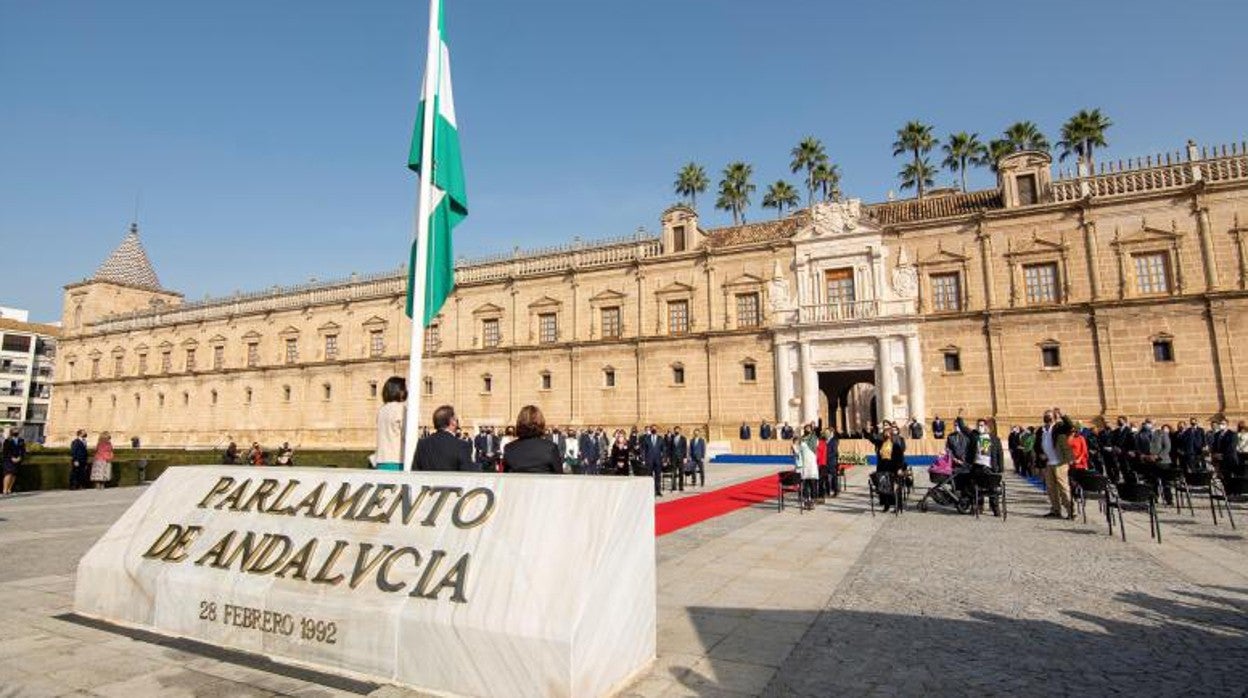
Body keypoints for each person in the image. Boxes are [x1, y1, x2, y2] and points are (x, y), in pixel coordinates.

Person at [413, 405, 476, 471]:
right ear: (452, 422)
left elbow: (415, 471)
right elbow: (467, 474)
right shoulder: (462, 445)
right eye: (456, 420)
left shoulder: (422, 444)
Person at [502, 405, 563, 474]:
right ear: (540, 423)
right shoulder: (550, 447)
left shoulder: (509, 448)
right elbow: (559, 476)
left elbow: (506, 477)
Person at [1037, 408, 1075, 519]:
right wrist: (1040, 454)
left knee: (1063, 487)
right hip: (1049, 463)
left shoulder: (1059, 427)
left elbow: (1070, 426)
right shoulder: (1041, 430)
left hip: (1060, 461)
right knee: (1051, 488)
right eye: (1045, 415)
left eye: (1048, 415)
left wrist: (1063, 415)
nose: (1046, 416)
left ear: (1054, 417)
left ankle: (1071, 511)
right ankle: (1055, 510)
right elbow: (1037, 444)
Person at [868, 424, 906, 511]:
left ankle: (897, 505)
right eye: (884, 433)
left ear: (891, 434)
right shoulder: (881, 443)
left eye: (887, 433)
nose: (885, 434)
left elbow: (900, 457)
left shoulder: (895, 445)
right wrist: (871, 431)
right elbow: (872, 439)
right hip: (882, 467)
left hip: (892, 467)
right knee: (883, 486)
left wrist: (899, 468)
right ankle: (886, 504)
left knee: (893, 487)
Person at [374, 376, 406, 471]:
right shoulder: (401, 409)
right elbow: (407, 435)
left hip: (381, 460)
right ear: (399, 391)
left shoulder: (382, 410)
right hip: (397, 460)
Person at [643, 425, 665, 496]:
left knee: (658, 476)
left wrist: (664, 458)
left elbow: (664, 449)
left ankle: (658, 490)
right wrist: (644, 459)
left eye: (655, 428)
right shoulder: (647, 438)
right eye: (652, 428)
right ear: (650, 429)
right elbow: (644, 450)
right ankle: (650, 491)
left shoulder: (660, 438)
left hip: (658, 460)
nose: (654, 429)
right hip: (649, 460)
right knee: (649, 476)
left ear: (657, 429)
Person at [2, 429, 24, 495]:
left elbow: (23, 450)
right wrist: (12, 458)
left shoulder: (21, 440)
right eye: (14, 431)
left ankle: (9, 489)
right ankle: (5, 490)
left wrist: (20, 457)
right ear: (11, 433)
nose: (16, 432)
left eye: (17, 431)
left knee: (14, 475)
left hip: (18, 459)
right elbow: (5, 451)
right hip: (8, 460)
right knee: (8, 474)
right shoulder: (7, 441)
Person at [669, 426, 688, 491]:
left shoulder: (683, 438)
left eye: (678, 430)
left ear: (680, 431)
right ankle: (674, 486)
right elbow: (670, 449)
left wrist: (685, 457)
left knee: (681, 473)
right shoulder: (672, 438)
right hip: (673, 458)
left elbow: (685, 448)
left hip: (681, 458)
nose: (677, 431)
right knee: (673, 473)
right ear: (674, 431)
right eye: (675, 430)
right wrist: (669, 457)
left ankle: (681, 486)